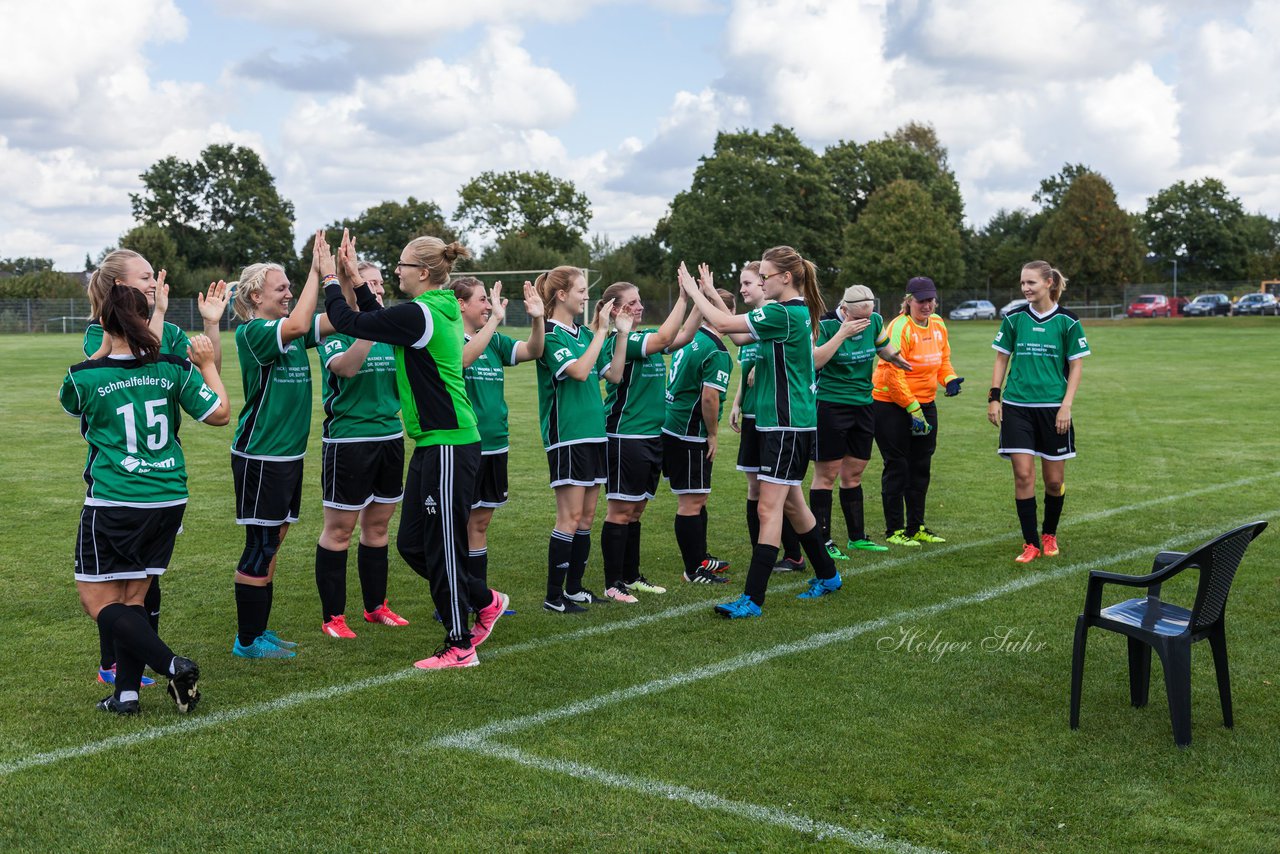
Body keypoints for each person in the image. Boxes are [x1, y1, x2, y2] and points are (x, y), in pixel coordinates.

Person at [325, 231, 508, 668]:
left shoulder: (423, 312)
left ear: (423, 272)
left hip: (450, 443)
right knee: (412, 545)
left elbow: (351, 321)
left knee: (444, 546)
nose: (396, 271)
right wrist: (354, 278)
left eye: (403, 265)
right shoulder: (427, 311)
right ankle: (485, 600)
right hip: (432, 445)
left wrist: (331, 278)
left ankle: (460, 645)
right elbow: (379, 318)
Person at [61, 284, 230, 714]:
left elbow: (73, 400)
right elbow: (220, 414)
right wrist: (208, 365)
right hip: (168, 497)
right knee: (133, 599)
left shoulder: (83, 377)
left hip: (117, 500)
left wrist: (101, 347)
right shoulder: (173, 368)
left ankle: (172, 664)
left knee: (97, 601)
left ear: (103, 321)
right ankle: (127, 695)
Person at [678, 247, 841, 618]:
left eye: (765, 275)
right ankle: (829, 576)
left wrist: (696, 291)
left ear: (786, 278)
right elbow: (738, 337)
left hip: (787, 426)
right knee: (793, 506)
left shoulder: (784, 312)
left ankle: (752, 599)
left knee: (770, 508)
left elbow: (722, 325)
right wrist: (709, 293)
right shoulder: (785, 313)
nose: (761, 281)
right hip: (782, 424)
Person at [228, 234, 331, 659]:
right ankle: (247, 641)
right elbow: (303, 324)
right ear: (256, 296)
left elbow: (335, 321)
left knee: (277, 538)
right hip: (261, 455)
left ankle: (259, 631)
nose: (289, 292)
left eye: (291, 286)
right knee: (261, 544)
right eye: (281, 287)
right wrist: (313, 273)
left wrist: (342, 276)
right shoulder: (254, 332)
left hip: (287, 456)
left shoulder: (287, 333)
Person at [314, 259, 410, 638]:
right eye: (371, 283)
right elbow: (345, 369)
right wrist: (369, 331)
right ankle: (333, 617)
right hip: (348, 440)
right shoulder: (335, 329)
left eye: (382, 284)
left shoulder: (390, 327)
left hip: (390, 436)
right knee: (339, 530)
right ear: (351, 288)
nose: (380, 291)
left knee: (379, 526)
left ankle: (375, 607)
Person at [595, 279, 694, 601]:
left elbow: (683, 337)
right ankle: (613, 584)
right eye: (633, 302)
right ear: (616, 309)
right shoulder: (621, 340)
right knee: (620, 511)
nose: (640, 307)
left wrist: (698, 301)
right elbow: (666, 336)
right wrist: (682, 296)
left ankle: (631, 576)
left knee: (636, 511)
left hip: (650, 437)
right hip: (627, 436)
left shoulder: (642, 339)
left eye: (639, 301)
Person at [988, 261, 1089, 563]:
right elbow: (1001, 359)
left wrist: (1066, 406)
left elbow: (1076, 366)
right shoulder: (1014, 318)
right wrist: (994, 397)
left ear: (1048, 282)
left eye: (1031, 283)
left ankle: (1049, 534)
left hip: (1053, 409)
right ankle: (1030, 542)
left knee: (1054, 482)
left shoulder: (1068, 322)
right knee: (1022, 475)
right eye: (1022, 283)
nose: (1026, 288)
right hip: (1017, 406)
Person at [534, 266, 618, 613]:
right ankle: (554, 596)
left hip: (594, 435)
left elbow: (614, 373)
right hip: (567, 437)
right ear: (562, 296)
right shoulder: (551, 335)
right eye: (582, 290)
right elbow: (580, 372)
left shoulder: (582, 333)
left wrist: (617, 333)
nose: (587, 296)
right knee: (568, 518)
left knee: (586, 518)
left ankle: (575, 588)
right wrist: (600, 331)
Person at [452, 275, 545, 592]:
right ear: (460, 304)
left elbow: (534, 350)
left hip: (495, 445)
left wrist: (537, 319)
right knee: (458, 523)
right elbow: (464, 359)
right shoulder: (449, 337)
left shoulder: (493, 340)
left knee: (480, 523)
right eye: (482, 299)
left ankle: (478, 596)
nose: (487, 305)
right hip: (464, 447)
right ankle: (454, 597)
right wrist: (494, 321)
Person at [811, 285, 910, 557]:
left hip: (864, 405)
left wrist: (897, 358)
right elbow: (814, 361)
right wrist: (843, 334)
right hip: (830, 405)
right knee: (826, 475)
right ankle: (822, 540)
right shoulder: (826, 324)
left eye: (867, 318)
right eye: (857, 319)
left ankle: (857, 537)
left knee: (853, 474)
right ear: (844, 310)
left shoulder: (875, 321)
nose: (863, 324)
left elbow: (883, 348)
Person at [871, 277, 963, 547]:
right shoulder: (899, 327)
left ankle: (917, 525)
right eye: (921, 300)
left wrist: (950, 380)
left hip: (924, 403)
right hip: (891, 405)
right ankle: (894, 529)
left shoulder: (938, 324)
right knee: (897, 465)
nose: (927, 305)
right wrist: (913, 408)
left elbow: (943, 360)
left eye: (931, 299)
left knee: (921, 466)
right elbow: (892, 374)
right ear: (908, 300)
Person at [728, 262, 805, 572]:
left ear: (766, 284)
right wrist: (737, 402)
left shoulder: (778, 316)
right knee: (757, 489)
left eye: (750, 282)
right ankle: (765, 555)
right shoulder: (754, 324)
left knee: (779, 498)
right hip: (754, 415)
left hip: (778, 419)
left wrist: (701, 294)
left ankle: (790, 555)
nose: (745, 288)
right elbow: (740, 348)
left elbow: (799, 359)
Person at [662, 264, 735, 586]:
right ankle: (694, 569)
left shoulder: (691, 340)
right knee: (691, 501)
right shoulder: (716, 351)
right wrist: (713, 434)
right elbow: (709, 398)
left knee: (698, 496)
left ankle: (702, 556)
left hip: (672, 425)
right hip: (690, 432)